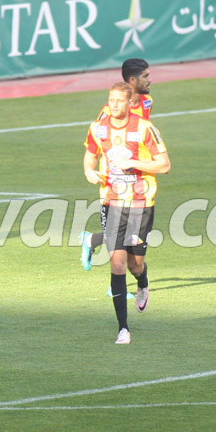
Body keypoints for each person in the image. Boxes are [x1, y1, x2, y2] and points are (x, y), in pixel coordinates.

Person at [83, 82, 171, 345]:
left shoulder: (145, 128)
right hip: (110, 201)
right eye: (111, 99)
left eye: (120, 100)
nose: (114, 104)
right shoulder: (98, 127)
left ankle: (142, 282)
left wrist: (133, 162)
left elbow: (164, 165)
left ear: (131, 103)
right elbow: (90, 156)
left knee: (135, 264)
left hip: (141, 203)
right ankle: (123, 327)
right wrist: (89, 171)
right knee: (117, 262)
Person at [80, 58, 154, 278]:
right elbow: (100, 137)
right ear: (133, 80)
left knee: (129, 237)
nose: (150, 80)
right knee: (121, 242)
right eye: (146, 76)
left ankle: (92, 240)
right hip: (115, 178)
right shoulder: (108, 110)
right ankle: (116, 288)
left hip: (139, 175)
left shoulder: (147, 102)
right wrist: (91, 169)